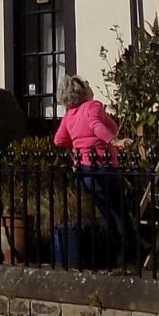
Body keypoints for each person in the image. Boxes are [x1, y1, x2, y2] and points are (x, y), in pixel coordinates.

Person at [52, 77, 132, 264]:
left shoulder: (69, 115)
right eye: (86, 83)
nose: (89, 85)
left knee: (107, 212)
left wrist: (79, 145)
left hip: (83, 171)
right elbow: (97, 127)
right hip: (102, 167)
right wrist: (115, 141)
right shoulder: (92, 106)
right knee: (119, 211)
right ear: (82, 91)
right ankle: (129, 252)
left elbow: (58, 140)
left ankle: (119, 253)